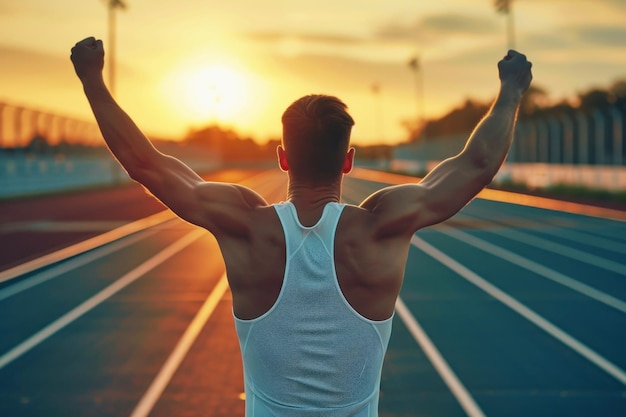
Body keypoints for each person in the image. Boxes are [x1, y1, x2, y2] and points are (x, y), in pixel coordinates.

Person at [71, 36, 532, 416]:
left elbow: (144, 164)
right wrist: (511, 89)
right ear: (348, 161)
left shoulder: (247, 225)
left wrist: (92, 80)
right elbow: (477, 164)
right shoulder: (381, 226)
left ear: (282, 158)